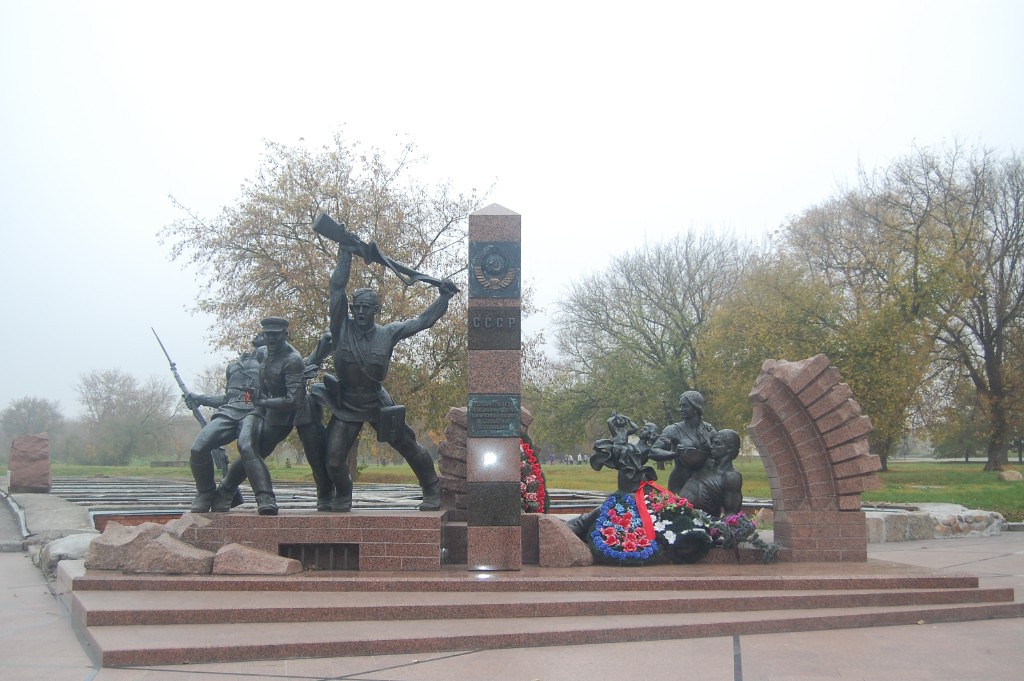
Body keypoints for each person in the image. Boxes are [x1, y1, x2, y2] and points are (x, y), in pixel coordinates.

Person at [312, 238, 458, 512]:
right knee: (333, 460)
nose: (360, 312)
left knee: (408, 445)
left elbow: (422, 321)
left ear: (377, 310)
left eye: (366, 308)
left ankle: (431, 487)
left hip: (377, 401)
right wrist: (346, 254)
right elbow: (336, 288)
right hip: (347, 404)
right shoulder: (340, 327)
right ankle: (343, 492)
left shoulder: (388, 333)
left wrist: (443, 298)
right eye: (357, 307)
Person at [213, 317, 305, 515]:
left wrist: (262, 402)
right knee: (247, 446)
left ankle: (226, 490)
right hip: (258, 410)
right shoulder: (262, 353)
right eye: (267, 334)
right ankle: (264, 498)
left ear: (285, 334)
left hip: (280, 418)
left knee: (255, 451)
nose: (271, 339)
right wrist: (252, 397)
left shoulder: (293, 360)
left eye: (275, 335)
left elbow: (294, 400)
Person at [183, 334, 265, 512]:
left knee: (248, 449)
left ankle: (234, 491)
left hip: (255, 412)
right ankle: (205, 492)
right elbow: (228, 398)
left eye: (269, 332)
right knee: (198, 448)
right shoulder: (234, 366)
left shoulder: (271, 364)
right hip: (229, 412)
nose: (261, 334)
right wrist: (200, 399)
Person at [648, 390, 717, 495]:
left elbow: (720, 454)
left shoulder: (709, 430)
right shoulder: (673, 429)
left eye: (685, 406)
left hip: (704, 483)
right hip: (680, 483)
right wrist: (675, 454)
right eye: (680, 406)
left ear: (695, 408)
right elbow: (653, 451)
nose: (681, 409)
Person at [676, 428, 744, 517]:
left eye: (717, 444)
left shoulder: (731, 477)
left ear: (730, 448)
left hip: (701, 521)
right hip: (677, 512)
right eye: (712, 443)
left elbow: (731, 514)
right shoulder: (705, 463)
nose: (711, 447)